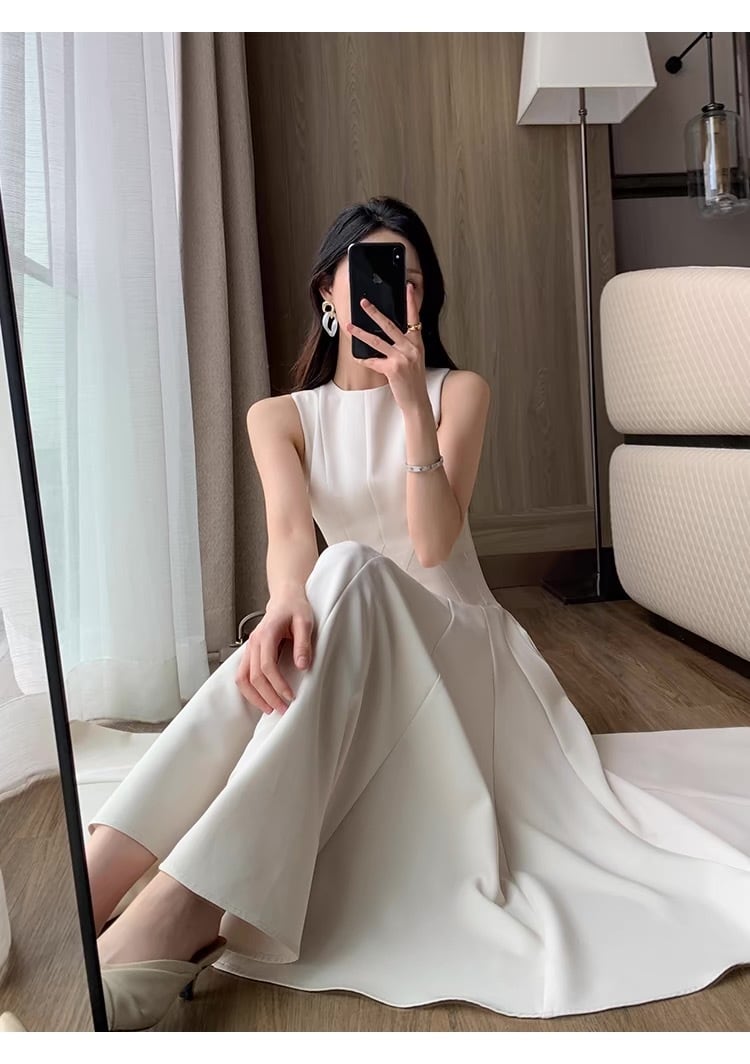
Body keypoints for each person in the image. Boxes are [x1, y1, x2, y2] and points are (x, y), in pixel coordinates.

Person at [86, 196, 750, 1031]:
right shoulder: (279, 417)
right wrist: (284, 599)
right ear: (328, 291)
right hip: (351, 653)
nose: (393, 289)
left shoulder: (457, 393)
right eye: (371, 269)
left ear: (423, 298)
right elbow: (289, 538)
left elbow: (434, 546)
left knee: (348, 567)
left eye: (409, 277)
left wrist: (410, 409)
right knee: (297, 619)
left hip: (460, 657)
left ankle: (178, 900)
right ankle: (107, 872)